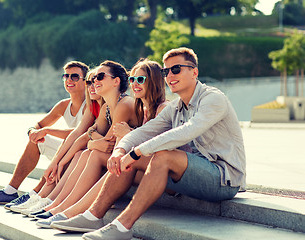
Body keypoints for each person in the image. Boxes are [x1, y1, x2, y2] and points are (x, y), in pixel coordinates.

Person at [52, 47, 246, 240]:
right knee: (131, 160)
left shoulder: (213, 99)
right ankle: (92, 215)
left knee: (162, 156)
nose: (169, 75)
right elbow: (145, 131)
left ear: (194, 72)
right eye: (166, 71)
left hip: (223, 179)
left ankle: (122, 226)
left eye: (176, 69)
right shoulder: (177, 107)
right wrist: (120, 151)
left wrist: (136, 152)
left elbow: (186, 132)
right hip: (190, 173)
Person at [34, 59, 167, 228]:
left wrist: (125, 135)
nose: (135, 83)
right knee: (88, 154)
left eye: (140, 79)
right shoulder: (140, 109)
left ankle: (69, 211)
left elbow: (113, 144)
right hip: (138, 163)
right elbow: (85, 136)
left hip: (158, 171)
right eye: (132, 79)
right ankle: (58, 207)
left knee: (99, 156)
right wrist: (60, 162)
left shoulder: (132, 105)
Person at [11, 60, 138, 216]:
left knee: (87, 154)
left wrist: (92, 143)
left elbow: (108, 144)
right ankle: (50, 201)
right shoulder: (105, 107)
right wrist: (58, 162)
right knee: (79, 154)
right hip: (111, 157)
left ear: (116, 81)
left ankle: (58, 205)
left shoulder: (123, 104)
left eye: (99, 77)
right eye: (91, 80)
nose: (94, 82)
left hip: (130, 162)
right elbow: (84, 134)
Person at [0, 61, 89, 205]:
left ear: (86, 81)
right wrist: (33, 131)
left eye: (75, 77)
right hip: (68, 153)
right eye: (66, 76)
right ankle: (10, 191)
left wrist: (47, 130)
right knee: (36, 140)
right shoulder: (63, 105)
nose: (69, 80)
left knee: (65, 142)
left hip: (83, 156)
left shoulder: (91, 104)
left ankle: (35, 193)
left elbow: (81, 133)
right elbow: (39, 125)